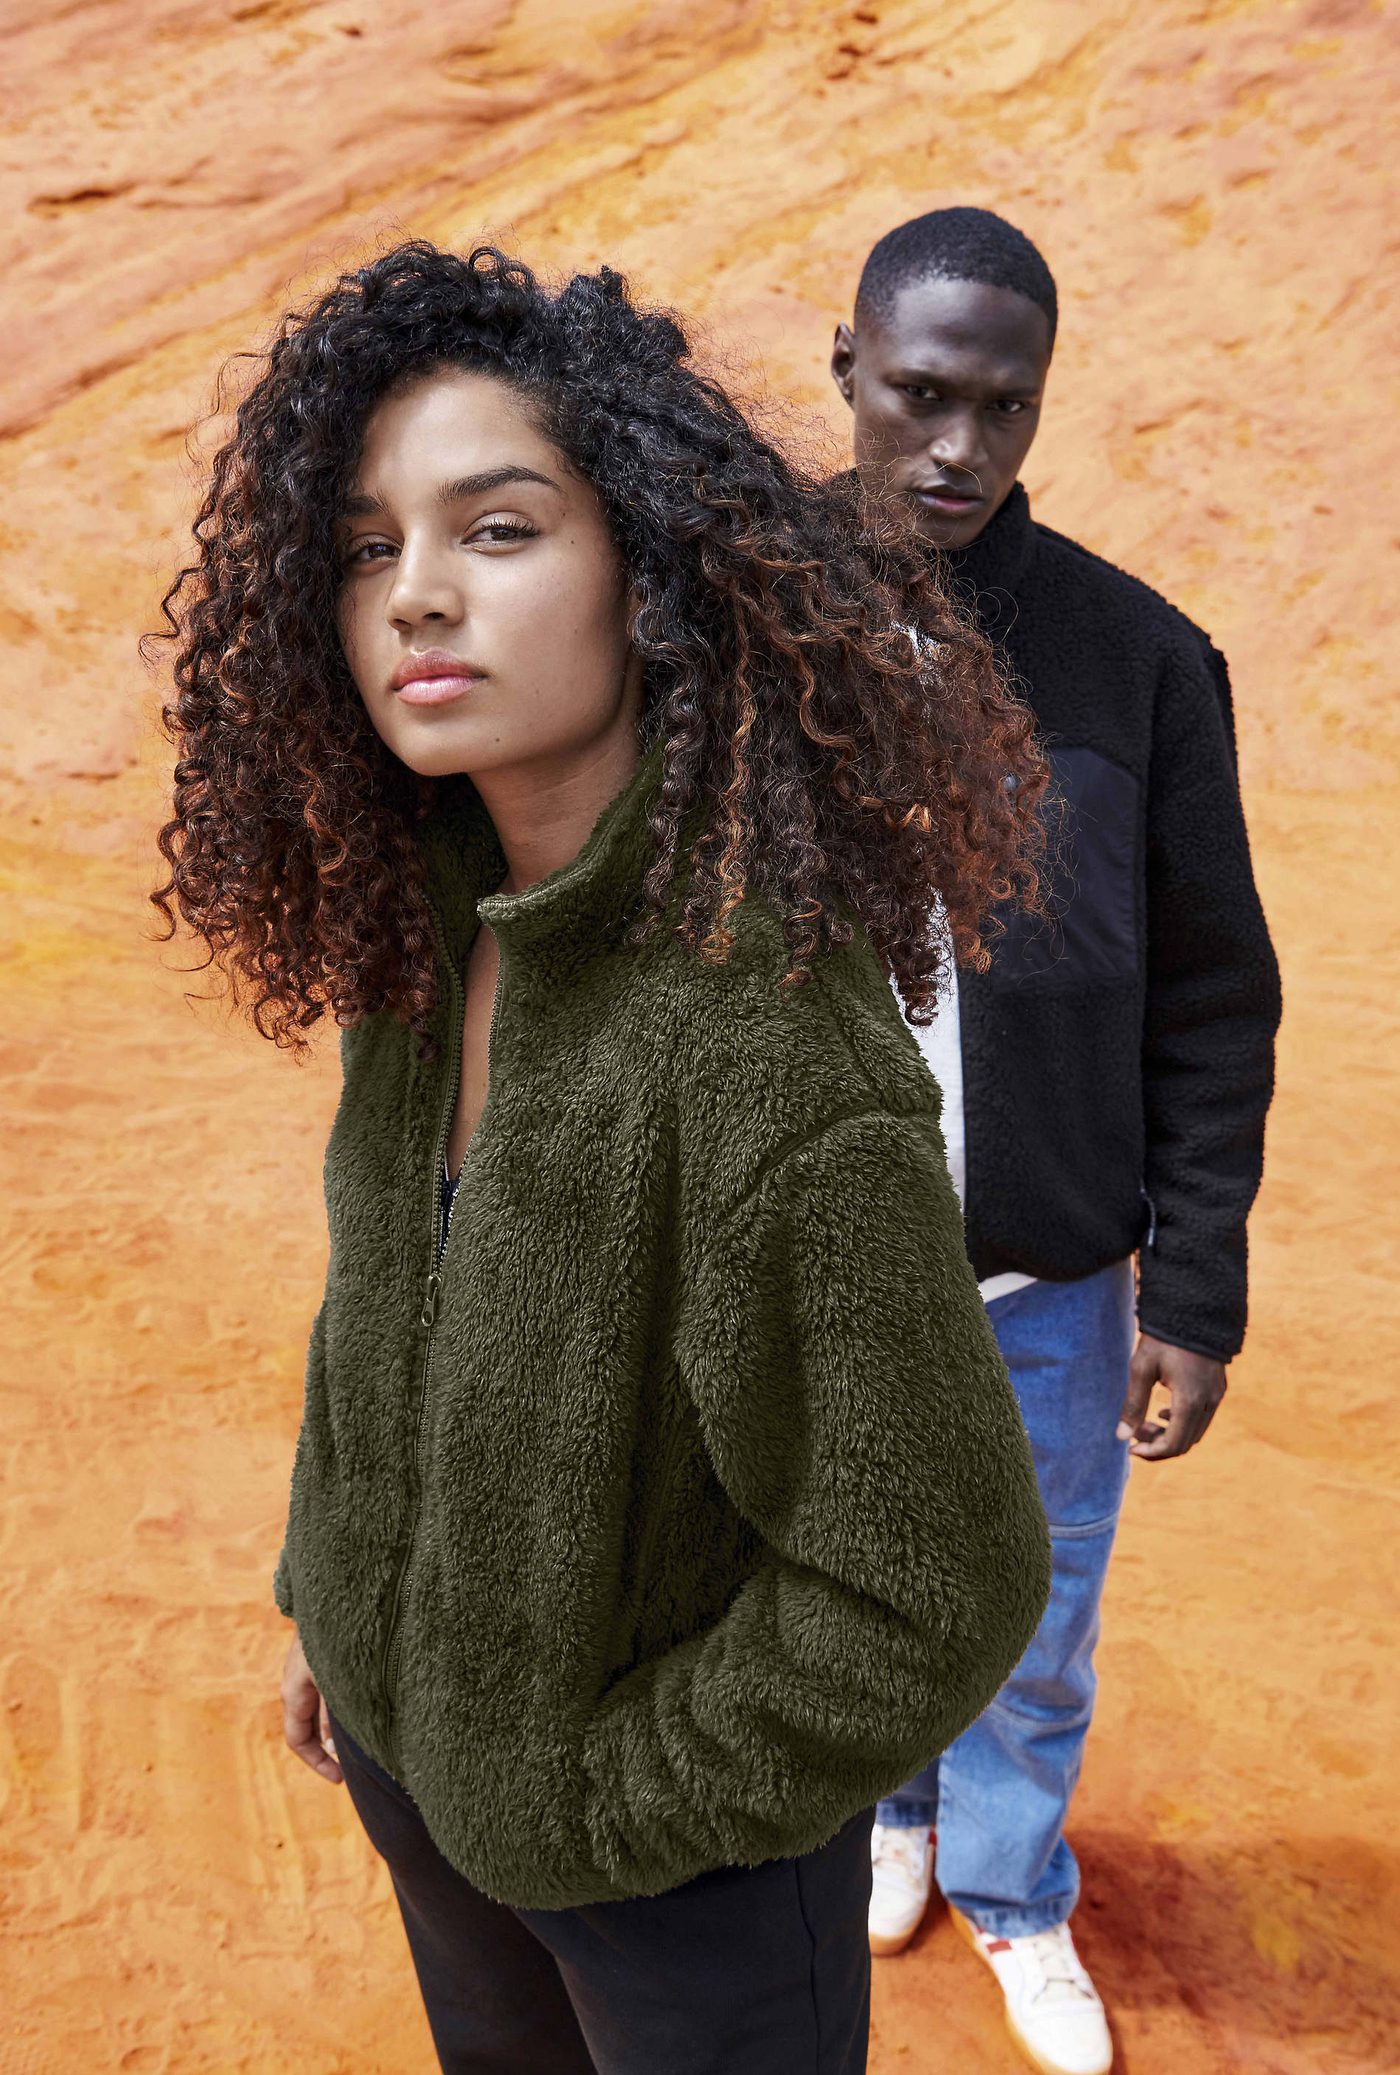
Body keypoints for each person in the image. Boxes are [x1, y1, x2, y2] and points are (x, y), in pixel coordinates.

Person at [151, 240, 1056, 2075]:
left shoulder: (763, 1046)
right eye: (364, 547)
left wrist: (603, 1798)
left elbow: (937, 1578)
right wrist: (346, 1604)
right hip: (425, 1778)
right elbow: (379, 1319)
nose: (416, 594)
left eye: (496, 530)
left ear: (648, 575)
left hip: (671, 1877)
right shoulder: (435, 936)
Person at [831, 208, 1281, 2075]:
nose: (957, 446)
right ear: (849, 368)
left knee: (1034, 1604)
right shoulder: (737, 631)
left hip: (1051, 1272)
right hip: (813, 1261)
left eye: (1001, 407)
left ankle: (1014, 1886)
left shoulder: (1140, 660)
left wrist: (1199, 1287)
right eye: (920, 394)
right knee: (837, 1572)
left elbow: (1214, 992)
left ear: (1039, 404)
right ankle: (884, 1816)